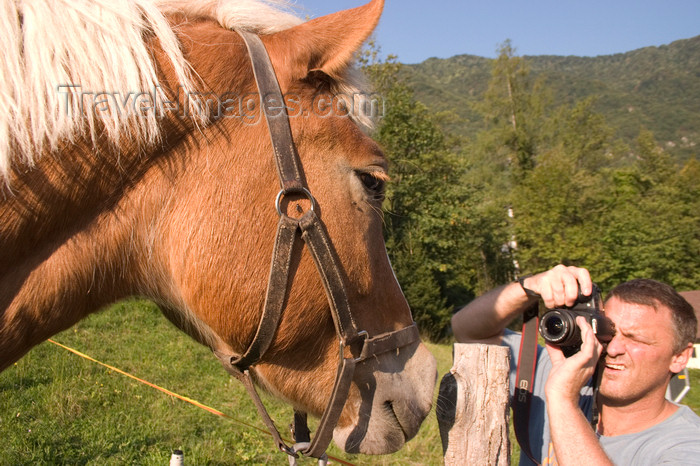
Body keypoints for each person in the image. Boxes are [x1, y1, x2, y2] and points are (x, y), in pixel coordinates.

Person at [452, 265, 700, 465]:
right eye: (608, 332)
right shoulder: (561, 372)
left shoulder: (686, 445)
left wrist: (562, 400)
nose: (612, 349)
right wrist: (528, 288)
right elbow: (469, 332)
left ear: (680, 356)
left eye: (637, 339)